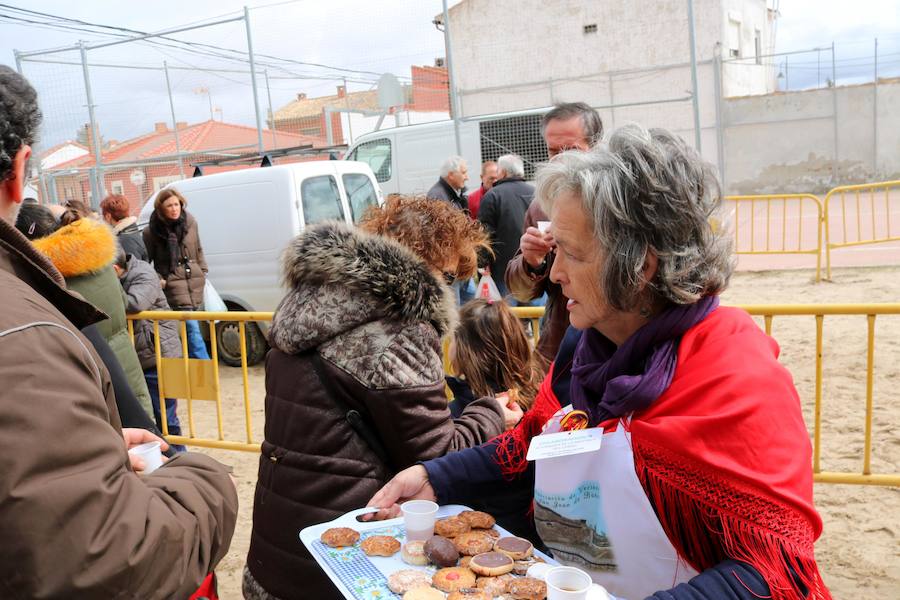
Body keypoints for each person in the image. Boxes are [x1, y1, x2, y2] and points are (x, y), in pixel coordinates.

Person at [367, 126, 831, 600]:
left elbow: (775, 570)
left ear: (641, 267)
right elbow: (529, 447)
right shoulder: (584, 348)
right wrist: (435, 475)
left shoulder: (735, 375)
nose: (556, 272)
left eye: (573, 253)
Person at [0, 64, 237, 599]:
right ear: (20, 168)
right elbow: (101, 557)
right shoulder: (25, 325)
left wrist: (93, 447)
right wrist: (205, 479)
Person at [243, 196, 523, 600]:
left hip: (281, 548)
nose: (447, 288)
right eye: (446, 275)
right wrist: (490, 413)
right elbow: (437, 456)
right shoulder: (400, 328)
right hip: (343, 557)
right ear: (429, 263)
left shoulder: (306, 303)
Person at [31, 203, 155, 419]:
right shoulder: (101, 258)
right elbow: (123, 301)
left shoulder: (47, 276)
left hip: (89, 370)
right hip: (124, 357)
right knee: (143, 430)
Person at [505, 102, 604, 363]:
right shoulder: (541, 207)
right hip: (562, 349)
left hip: (615, 347)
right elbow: (521, 292)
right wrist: (530, 262)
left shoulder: (616, 203)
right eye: (553, 151)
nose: (561, 159)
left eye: (571, 149)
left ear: (596, 146)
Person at [445, 297, 544, 542]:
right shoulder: (539, 403)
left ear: (464, 351)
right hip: (530, 536)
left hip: (472, 537)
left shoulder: (459, 414)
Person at [114, 247, 186, 452]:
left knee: (167, 415)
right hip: (146, 353)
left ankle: (178, 456)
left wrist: (109, 291)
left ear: (115, 268)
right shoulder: (126, 274)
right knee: (155, 414)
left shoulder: (144, 274)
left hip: (160, 354)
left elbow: (135, 304)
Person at [142, 188, 210, 360]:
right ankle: (206, 370)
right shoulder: (151, 232)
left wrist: (202, 271)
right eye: (169, 206)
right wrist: (160, 279)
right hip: (173, 285)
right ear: (161, 208)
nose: (174, 209)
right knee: (192, 329)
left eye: (176, 204)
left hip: (195, 282)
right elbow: (146, 262)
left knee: (191, 330)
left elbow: (199, 249)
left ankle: (194, 372)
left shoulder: (190, 223)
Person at [477, 154, 534, 297]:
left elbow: (485, 235)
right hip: (535, 269)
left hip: (504, 272)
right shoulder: (535, 193)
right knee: (536, 315)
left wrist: (482, 264)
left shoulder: (492, 196)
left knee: (508, 316)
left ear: (502, 172)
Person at [101, 192, 149, 261]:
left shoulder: (125, 239)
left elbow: (132, 269)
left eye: (103, 216)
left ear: (108, 216)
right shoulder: (131, 231)